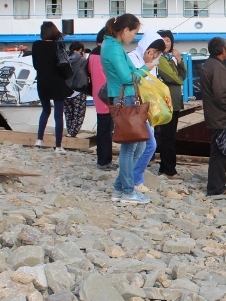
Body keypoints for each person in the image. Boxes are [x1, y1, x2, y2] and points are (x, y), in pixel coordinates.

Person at [101, 13, 158, 204]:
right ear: (125, 30)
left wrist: (139, 70)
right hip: (124, 99)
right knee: (129, 147)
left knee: (139, 144)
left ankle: (120, 188)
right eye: (134, 33)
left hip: (126, 98)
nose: (135, 37)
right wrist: (145, 69)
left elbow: (130, 72)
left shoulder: (113, 45)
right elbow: (127, 77)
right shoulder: (114, 48)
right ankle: (127, 191)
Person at [127, 34, 166, 193]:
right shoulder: (133, 57)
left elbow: (153, 86)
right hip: (133, 107)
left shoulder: (149, 62)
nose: (155, 55)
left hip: (144, 108)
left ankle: (132, 179)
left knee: (142, 145)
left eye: (158, 53)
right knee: (149, 145)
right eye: (154, 51)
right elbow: (135, 81)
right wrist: (147, 65)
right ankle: (135, 179)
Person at [200, 37, 226, 197]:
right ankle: (216, 188)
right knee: (219, 153)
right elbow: (223, 95)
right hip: (219, 116)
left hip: (213, 114)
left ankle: (218, 184)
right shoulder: (218, 68)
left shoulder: (208, 65)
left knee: (218, 151)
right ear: (223, 50)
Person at [32, 21, 73, 153]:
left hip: (43, 82)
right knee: (58, 115)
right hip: (57, 82)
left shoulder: (36, 45)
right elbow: (63, 64)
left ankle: (39, 139)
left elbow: (35, 65)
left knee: (45, 110)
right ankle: (58, 146)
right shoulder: (58, 45)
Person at [156, 30, 187, 180]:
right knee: (168, 136)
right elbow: (175, 78)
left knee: (169, 135)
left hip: (173, 102)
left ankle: (164, 167)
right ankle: (170, 170)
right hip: (166, 102)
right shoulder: (161, 59)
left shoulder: (170, 59)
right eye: (163, 40)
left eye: (168, 40)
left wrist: (179, 60)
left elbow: (183, 75)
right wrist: (179, 78)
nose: (166, 43)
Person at [88, 29, 114, 170]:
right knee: (106, 131)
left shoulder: (92, 53)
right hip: (108, 96)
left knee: (102, 129)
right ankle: (104, 161)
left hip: (98, 95)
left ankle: (102, 159)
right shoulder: (106, 53)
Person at [64, 41, 87, 138]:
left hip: (66, 90)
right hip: (78, 90)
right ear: (81, 50)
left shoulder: (65, 59)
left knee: (69, 113)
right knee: (78, 113)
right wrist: (85, 59)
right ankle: (73, 133)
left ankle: (69, 130)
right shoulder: (82, 60)